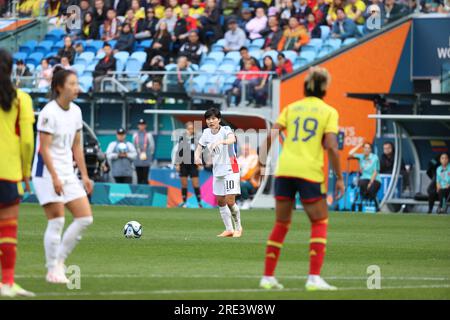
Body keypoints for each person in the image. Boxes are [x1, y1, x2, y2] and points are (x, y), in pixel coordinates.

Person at [259, 67, 344, 291]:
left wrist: (261, 164)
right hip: (309, 172)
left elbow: (270, 136)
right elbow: (332, 148)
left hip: (285, 170)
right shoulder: (329, 112)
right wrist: (340, 178)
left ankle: (267, 277)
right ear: (325, 87)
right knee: (319, 222)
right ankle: (314, 278)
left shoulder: (291, 108)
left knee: (281, 223)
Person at [32, 66, 94, 284]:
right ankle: (52, 270)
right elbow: (44, 149)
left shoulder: (76, 111)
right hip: (46, 173)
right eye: (72, 84)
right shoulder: (49, 112)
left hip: (68, 171)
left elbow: (77, 145)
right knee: (57, 220)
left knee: (85, 217)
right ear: (59, 87)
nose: (77, 88)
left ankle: (59, 260)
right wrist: (55, 177)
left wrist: (84, 176)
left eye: (77, 84)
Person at [0, 49, 35, 297]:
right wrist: (25, 172)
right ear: (12, 69)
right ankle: (7, 283)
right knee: (8, 230)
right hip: (9, 172)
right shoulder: (22, 99)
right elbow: (27, 142)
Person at [194, 108, 243, 237]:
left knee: (230, 201)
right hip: (218, 170)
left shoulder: (226, 130)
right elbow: (199, 147)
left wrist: (221, 141)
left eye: (213, 119)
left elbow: (232, 139)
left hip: (231, 168)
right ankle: (229, 229)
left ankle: (238, 228)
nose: (211, 121)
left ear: (219, 120)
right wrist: (197, 157)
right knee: (220, 201)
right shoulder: (205, 133)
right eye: (208, 119)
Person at [174, 122, 203, 208]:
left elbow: (200, 151)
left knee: (196, 184)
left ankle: (199, 203)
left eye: (192, 128)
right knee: (184, 184)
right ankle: (184, 202)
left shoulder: (197, 139)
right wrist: (177, 164)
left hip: (193, 164)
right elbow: (179, 151)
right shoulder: (182, 138)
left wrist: (200, 162)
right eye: (189, 128)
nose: (191, 130)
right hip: (184, 164)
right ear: (186, 129)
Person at [349, 141, 381, 211]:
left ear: (370, 150)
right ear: (363, 149)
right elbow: (350, 153)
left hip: (375, 179)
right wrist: (359, 145)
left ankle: (376, 206)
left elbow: (375, 171)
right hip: (364, 179)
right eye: (365, 148)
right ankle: (360, 204)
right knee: (361, 182)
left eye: (368, 148)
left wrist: (370, 183)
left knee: (370, 189)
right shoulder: (361, 157)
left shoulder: (375, 157)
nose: (366, 149)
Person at [238, 144, 260, 210]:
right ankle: (238, 201)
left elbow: (250, 173)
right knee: (231, 183)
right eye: (244, 149)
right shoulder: (240, 158)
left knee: (241, 184)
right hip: (241, 180)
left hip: (252, 182)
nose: (245, 151)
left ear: (250, 150)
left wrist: (240, 179)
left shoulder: (254, 158)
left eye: (247, 149)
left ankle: (246, 201)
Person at [132, 119, 155, 185]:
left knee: (145, 177)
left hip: (146, 160)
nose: (141, 126)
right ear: (138, 126)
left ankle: (146, 193)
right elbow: (133, 146)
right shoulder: (135, 135)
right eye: (140, 125)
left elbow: (152, 147)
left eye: (143, 125)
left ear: (145, 126)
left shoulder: (148, 135)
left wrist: (148, 156)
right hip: (137, 160)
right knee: (139, 178)